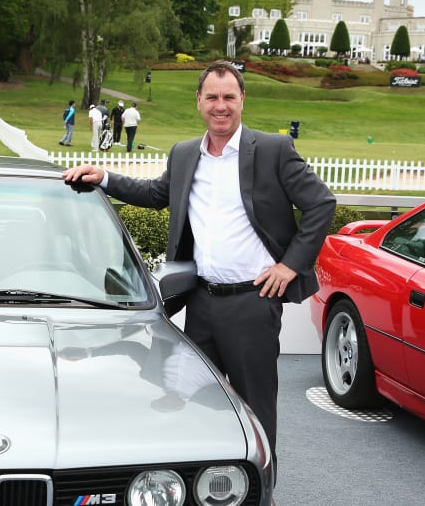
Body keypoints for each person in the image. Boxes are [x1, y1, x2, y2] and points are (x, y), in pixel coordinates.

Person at [62, 60, 336, 466]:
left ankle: (262, 490)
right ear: (199, 101)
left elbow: (321, 204)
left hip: (252, 304)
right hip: (201, 303)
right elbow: (156, 193)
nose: (220, 106)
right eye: (212, 97)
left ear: (242, 99)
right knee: (189, 400)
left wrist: (289, 266)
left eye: (229, 97)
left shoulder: (274, 151)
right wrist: (104, 177)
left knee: (254, 410)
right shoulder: (186, 153)